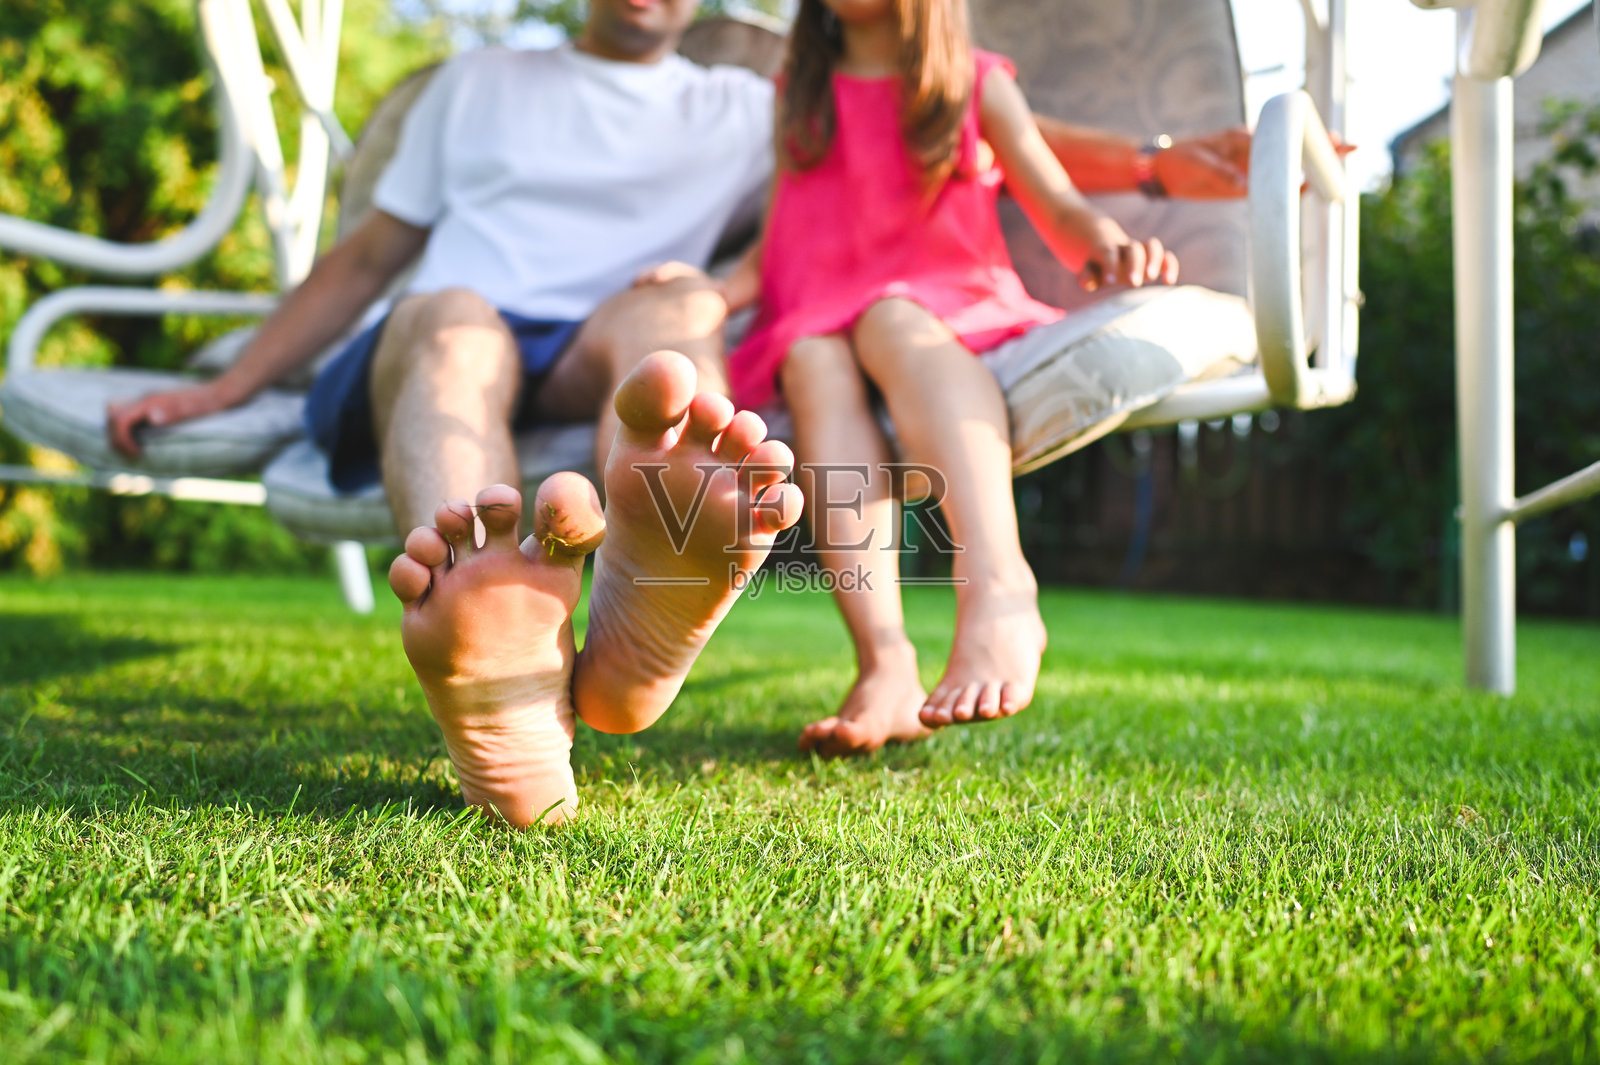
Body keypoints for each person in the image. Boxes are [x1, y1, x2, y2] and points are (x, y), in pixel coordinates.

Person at [99, 0, 1253, 821]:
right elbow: (362, 263)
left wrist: (1157, 167)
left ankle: (629, 595)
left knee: (676, 324)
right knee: (450, 317)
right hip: (453, 325)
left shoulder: (752, 104)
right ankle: (497, 617)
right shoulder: (473, 85)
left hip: (618, 340)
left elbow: (946, 115)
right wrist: (228, 384)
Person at [710, 0, 1185, 758]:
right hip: (816, 308)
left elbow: (1058, 203)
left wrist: (1105, 242)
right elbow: (777, 234)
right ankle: (884, 663)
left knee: (891, 318)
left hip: (936, 299)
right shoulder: (800, 90)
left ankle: (999, 585)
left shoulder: (976, 81)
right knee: (809, 359)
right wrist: (712, 295)